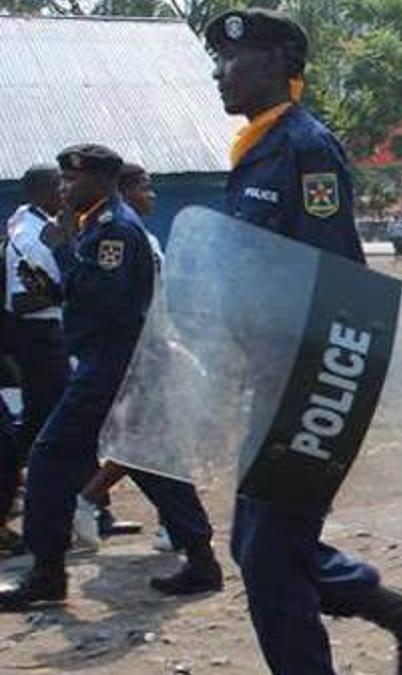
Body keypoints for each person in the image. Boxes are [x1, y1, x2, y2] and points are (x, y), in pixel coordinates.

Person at [207, 10, 402, 674]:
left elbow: (340, 277)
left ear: (282, 63)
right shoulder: (257, 148)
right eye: (218, 59)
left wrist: (324, 386)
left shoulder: (304, 148)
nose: (219, 71)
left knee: (267, 553)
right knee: (263, 544)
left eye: (235, 57)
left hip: (309, 379)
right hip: (270, 376)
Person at [0, 144, 222, 611]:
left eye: (73, 181)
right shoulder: (95, 225)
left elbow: (109, 302)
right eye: (62, 181)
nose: (64, 189)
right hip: (123, 359)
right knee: (143, 457)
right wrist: (55, 288)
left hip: (112, 362)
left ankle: (46, 573)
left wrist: (61, 255)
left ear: (104, 181)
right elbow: (93, 291)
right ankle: (202, 559)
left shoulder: (112, 229)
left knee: (49, 457)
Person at [0, 165, 70, 555]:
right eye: (61, 185)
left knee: (47, 430)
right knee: (40, 434)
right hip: (39, 340)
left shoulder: (41, 226)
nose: (66, 191)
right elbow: (23, 299)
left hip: (48, 337)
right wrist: (73, 290)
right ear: (43, 190)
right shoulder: (29, 235)